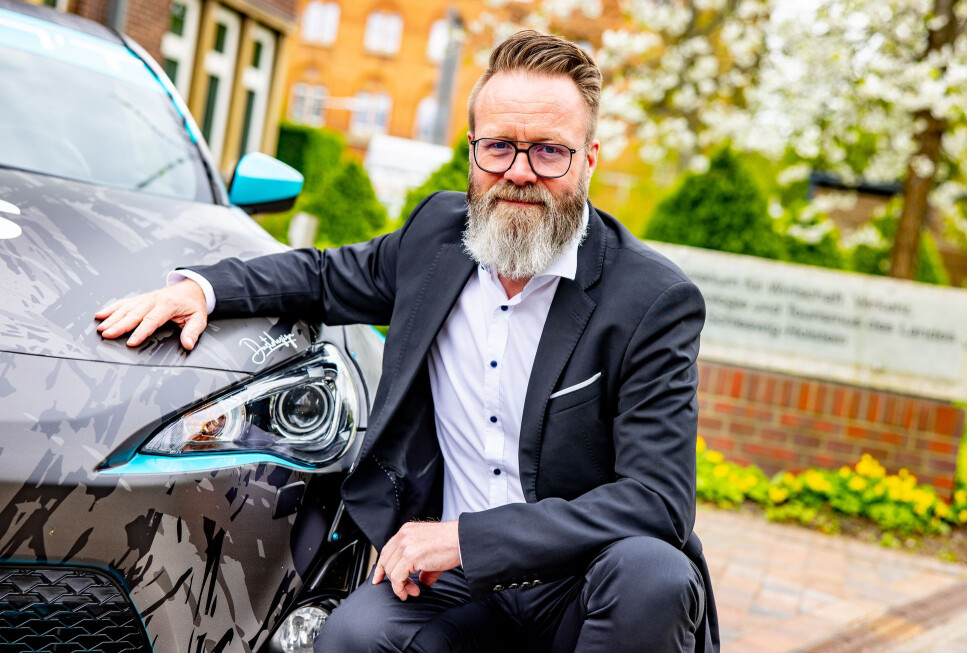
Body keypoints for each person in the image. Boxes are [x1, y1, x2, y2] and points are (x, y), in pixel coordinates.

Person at [95, 30, 717, 653]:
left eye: (549, 152)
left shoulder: (651, 299)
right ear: (473, 151)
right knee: (355, 634)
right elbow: (320, 275)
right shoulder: (436, 237)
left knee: (653, 575)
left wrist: (467, 538)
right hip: (458, 585)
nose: (520, 173)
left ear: (589, 158)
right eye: (499, 147)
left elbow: (656, 500)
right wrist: (202, 291)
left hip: (585, 583)